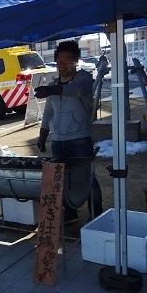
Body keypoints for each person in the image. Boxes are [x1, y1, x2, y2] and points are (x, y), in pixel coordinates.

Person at [35, 40, 103, 223]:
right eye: (59, 61)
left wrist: (51, 89)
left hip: (80, 139)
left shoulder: (84, 79)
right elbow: (49, 111)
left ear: (76, 62)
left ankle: (96, 214)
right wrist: (43, 135)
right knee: (61, 180)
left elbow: (74, 90)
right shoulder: (54, 82)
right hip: (58, 141)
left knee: (87, 178)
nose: (62, 65)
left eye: (68, 60)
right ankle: (70, 214)